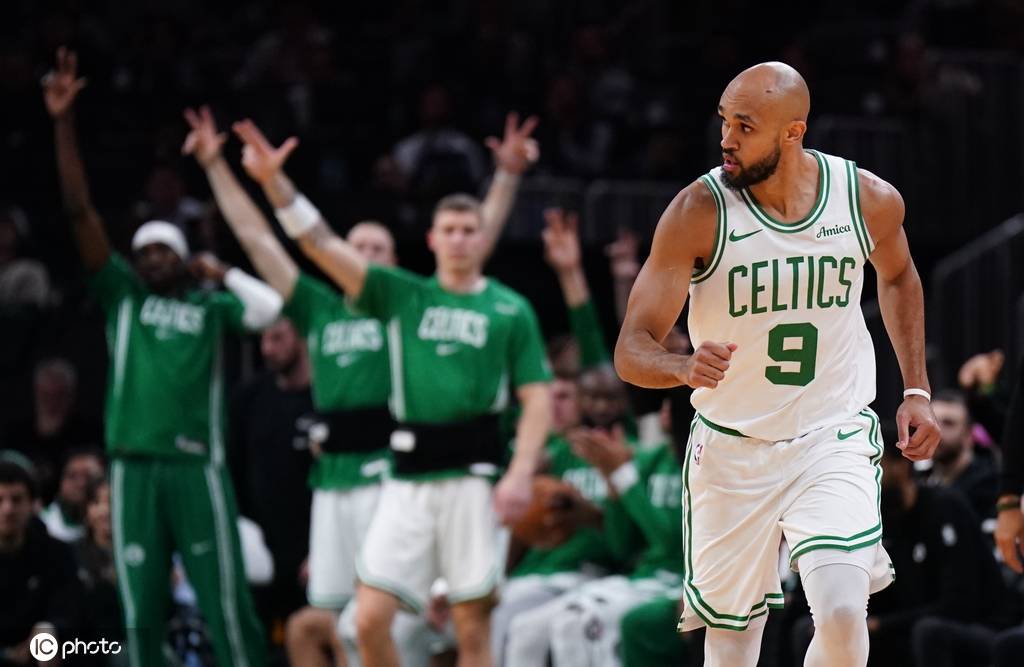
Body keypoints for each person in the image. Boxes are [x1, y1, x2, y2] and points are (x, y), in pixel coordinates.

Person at [183, 105, 538, 667]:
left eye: (378, 250)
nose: (366, 256)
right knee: (333, 623)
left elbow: (471, 242)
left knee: (417, 626)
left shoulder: (408, 300)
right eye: (359, 247)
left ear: (394, 261)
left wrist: (507, 177)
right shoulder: (320, 306)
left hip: (397, 465)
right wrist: (224, 170)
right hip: (335, 478)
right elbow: (264, 241)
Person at [614, 61, 940, 667]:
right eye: (724, 121)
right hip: (732, 448)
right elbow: (630, 349)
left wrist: (916, 389)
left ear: (793, 132)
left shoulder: (865, 200)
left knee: (842, 614)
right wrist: (681, 366)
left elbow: (899, 277)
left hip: (830, 432)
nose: (726, 139)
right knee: (732, 648)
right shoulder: (698, 211)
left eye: (745, 126)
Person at [44, 48, 282, 667]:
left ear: (182, 257)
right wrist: (63, 123)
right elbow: (79, 211)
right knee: (140, 612)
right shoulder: (123, 297)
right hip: (132, 469)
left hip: (197, 466)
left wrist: (223, 272)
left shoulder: (209, 306)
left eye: (163, 249)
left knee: (225, 603)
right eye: (143, 251)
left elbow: (269, 312)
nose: (151, 258)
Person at [229, 318, 315, 649]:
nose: (267, 349)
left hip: (312, 553)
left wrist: (322, 550)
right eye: (263, 339)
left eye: (278, 338)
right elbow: (232, 469)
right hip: (260, 548)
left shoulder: (325, 398)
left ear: (302, 337)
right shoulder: (248, 398)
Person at [0, 460, 81, 666]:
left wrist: (49, 627)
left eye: (17, 500)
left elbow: (68, 606)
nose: (8, 509)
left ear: (32, 504)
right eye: (0, 500)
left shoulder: (57, 553)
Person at [922, 389, 998, 520]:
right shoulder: (920, 480)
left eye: (948, 423)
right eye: (932, 422)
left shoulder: (991, 487)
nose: (937, 431)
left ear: (968, 435)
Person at [39, 446, 105, 542]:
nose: (81, 484)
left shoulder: (116, 524)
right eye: (72, 476)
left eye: (89, 476)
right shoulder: (43, 522)